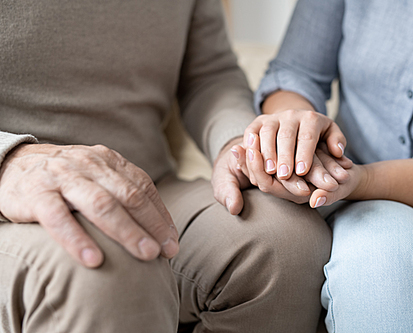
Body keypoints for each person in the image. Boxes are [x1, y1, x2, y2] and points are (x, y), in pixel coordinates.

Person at [0, 1, 332, 332]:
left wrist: (236, 145)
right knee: (109, 271)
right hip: (11, 194)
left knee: (286, 245)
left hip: (144, 180)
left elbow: (209, 74)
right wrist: (11, 160)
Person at [232, 0, 413, 332]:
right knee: (377, 271)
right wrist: (298, 132)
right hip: (370, 206)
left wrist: (363, 179)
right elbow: (296, 73)